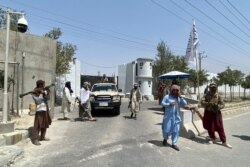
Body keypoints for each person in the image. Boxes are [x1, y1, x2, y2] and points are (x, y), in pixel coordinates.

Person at [200, 83, 232, 148]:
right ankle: (212, 138)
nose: (213, 89)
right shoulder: (206, 95)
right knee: (210, 126)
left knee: (220, 127)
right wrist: (209, 103)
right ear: (209, 88)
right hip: (208, 112)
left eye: (214, 87)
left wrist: (217, 107)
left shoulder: (218, 95)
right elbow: (202, 102)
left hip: (216, 113)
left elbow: (223, 104)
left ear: (216, 88)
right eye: (212, 88)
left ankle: (224, 142)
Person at [161, 84, 187, 151]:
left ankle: (174, 144)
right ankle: (165, 139)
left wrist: (180, 96)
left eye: (177, 90)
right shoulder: (167, 97)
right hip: (168, 117)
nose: (175, 91)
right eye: (174, 90)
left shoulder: (178, 98)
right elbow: (162, 103)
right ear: (171, 90)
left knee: (176, 131)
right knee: (166, 130)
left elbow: (184, 104)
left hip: (176, 118)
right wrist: (169, 104)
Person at [31, 80, 52, 145]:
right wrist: (41, 94)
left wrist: (45, 94)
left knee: (45, 123)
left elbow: (48, 98)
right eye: (41, 85)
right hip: (39, 109)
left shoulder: (45, 91)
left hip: (45, 109)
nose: (43, 86)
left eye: (43, 84)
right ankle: (35, 139)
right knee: (37, 125)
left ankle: (42, 137)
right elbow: (37, 101)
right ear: (38, 85)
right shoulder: (34, 91)